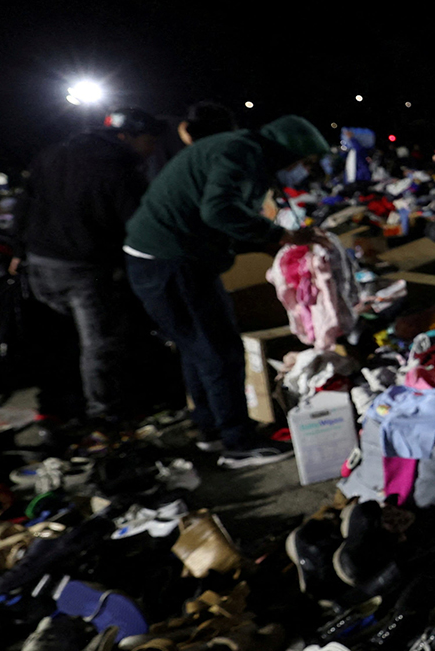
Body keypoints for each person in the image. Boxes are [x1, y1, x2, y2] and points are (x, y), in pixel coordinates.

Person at [123, 114, 330, 468]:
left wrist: (269, 245)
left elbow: (218, 217)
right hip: (172, 261)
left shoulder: (239, 148)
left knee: (196, 347)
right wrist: (278, 237)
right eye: (303, 161)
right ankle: (238, 443)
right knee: (220, 350)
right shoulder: (241, 153)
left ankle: (211, 430)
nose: (302, 170)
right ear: (287, 152)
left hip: (163, 258)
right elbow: (219, 211)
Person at [10, 107, 166, 438]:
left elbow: (24, 203)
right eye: (149, 141)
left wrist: (18, 251)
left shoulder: (55, 153)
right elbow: (136, 225)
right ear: (127, 137)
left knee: (62, 343)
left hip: (39, 264)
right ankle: (105, 418)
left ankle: (59, 411)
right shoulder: (119, 169)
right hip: (82, 269)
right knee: (99, 345)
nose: (151, 150)